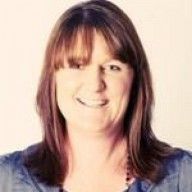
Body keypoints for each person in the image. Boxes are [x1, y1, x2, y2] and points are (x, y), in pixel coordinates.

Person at [0, 0, 192, 191]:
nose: (94, 84)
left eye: (112, 67)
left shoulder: (183, 177)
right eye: (77, 65)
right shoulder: (6, 179)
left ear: (135, 81)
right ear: (52, 79)